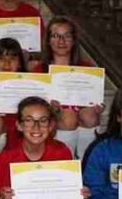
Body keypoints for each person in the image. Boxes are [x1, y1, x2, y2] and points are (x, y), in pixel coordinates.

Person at [32, 16, 103, 158]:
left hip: (81, 113)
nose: (61, 41)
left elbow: (94, 98)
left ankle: (86, 161)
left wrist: (98, 106)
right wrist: (49, 108)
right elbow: (33, 104)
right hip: (52, 116)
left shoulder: (86, 68)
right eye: (56, 36)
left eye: (67, 36)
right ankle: (66, 159)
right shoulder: (39, 70)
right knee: (68, 116)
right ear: (48, 40)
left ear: (74, 40)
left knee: (89, 114)